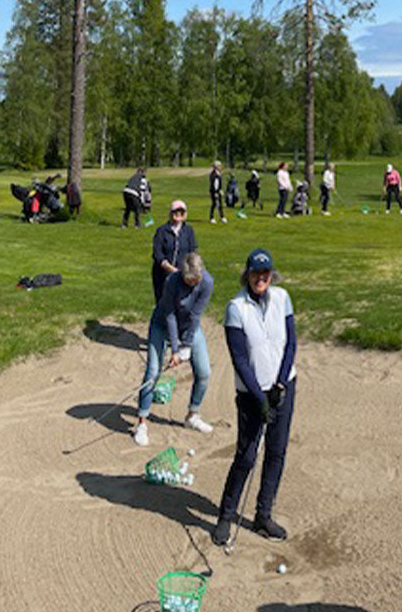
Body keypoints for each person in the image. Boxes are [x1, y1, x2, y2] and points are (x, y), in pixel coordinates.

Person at [212, 248, 297, 546]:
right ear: (247, 275)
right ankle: (226, 514)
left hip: (282, 387)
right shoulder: (236, 307)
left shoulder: (283, 298)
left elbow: (290, 345)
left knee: (276, 450)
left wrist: (281, 385)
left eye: (265, 273)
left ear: (271, 274)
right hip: (251, 393)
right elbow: (239, 359)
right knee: (247, 455)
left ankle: (264, 515)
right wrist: (260, 399)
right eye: (255, 273)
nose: (261, 278)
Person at [134, 252, 215, 447]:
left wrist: (186, 345)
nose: (192, 285)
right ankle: (142, 423)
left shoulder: (207, 282)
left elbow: (196, 315)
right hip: (162, 324)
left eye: (195, 280)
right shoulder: (172, 281)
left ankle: (192, 416)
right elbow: (169, 315)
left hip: (189, 326)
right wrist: (175, 350)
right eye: (189, 281)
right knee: (153, 372)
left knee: (204, 372)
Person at [151, 200, 198, 302]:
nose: (178, 215)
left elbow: (193, 250)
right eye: (175, 212)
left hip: (183, 274)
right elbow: (157, 253)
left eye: (181, 212)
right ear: (170, 213)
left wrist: (190, 269)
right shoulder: (162, 231)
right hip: (162, 274)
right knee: (163, 303)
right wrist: (169, 267)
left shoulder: (188, 231)